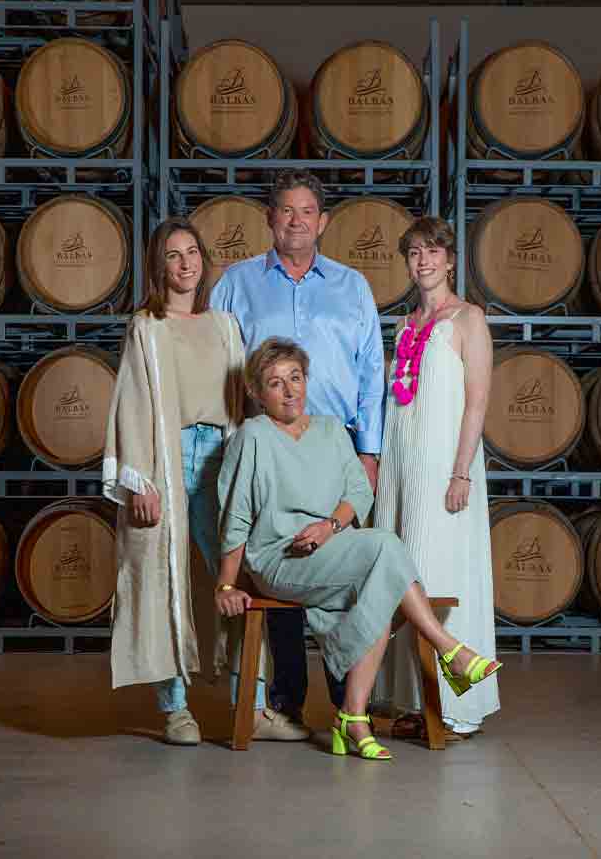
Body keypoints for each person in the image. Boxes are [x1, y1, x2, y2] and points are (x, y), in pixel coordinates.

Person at [213, 338, 502, 760]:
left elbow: (357, 492)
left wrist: (329, 527)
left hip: (331, 548)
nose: (289, 390)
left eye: (295, 378)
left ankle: (352, 715)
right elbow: (235, 515)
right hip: (280, 558)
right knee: (385, 548)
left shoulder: (331, 429)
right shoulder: (252, 437)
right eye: (276, 383)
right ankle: (447, 649)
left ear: (307, 380)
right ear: (257, 393)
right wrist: (225, 585)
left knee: (380, 585)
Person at [102, 217, 305, 746]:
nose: (186, 263)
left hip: (222, 458)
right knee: (164, 583)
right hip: (166, 461)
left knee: (240, 581)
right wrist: (138, 481)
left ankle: (253, 707)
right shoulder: (145, 327)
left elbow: (245, 401)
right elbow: (130, 404)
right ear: (159, 265)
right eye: (173, 255)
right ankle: (175, 709)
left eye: (192, 252)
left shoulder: (223, 325)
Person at [210, 169, 385, 723]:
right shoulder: (236, 283)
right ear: (269, 218)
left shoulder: (352, 286)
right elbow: (221, 368)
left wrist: (369, 451)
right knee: (285, 564)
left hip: (335, 446)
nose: (296, 221)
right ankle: (286, 700)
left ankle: (344, 700)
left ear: (323, 222)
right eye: (285, 210)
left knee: (340, 574)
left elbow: (372, 372)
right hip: (269, 447)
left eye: (307, 211)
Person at [372, 217, 499, 742]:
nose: (423, 260)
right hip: (402, 465)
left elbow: (477, 402)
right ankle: (409, 700)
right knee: (397, 576)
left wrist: (461, 471)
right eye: (414, 253)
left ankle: (455, 704)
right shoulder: (404, 325)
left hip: (446, 468)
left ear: (450, 260)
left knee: (440, 574)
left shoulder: (469, 320)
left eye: (433, 251)